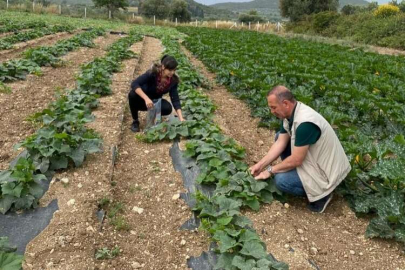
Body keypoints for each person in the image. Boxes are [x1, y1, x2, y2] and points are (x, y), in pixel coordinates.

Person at [250, 85, 351, 213]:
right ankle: (297, 175)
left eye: (273, 107)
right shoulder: (289, 114)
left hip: (326, 173)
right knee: (278, 137)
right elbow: (280, 142)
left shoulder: (305, 123)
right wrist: (260, 165)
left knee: (281, 181)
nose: (272, 111)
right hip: (315, 160)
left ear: (285, 103)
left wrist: (270, 170)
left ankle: (323, 195)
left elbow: (297, 160)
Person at [128, 55, 185, 132]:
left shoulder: (173, 81)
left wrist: (181, 118)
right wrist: (146, 99)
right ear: (163, 67)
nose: (172, 72)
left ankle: (154, 117)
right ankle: (135, 121)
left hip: (155, 101)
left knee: (168, 108)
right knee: (132, 95)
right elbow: (134, 84)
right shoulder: (152, 73)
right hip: (143, 100)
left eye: (174, 70)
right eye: (170, 70)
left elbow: (175, 99)